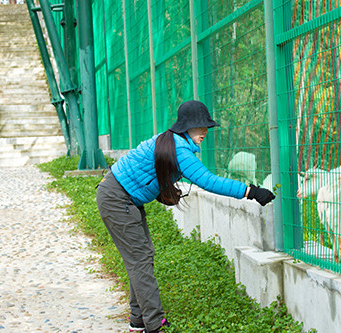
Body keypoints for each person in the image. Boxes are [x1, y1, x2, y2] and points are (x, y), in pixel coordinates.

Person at [96, 100, 275, 333]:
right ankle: (155, 325)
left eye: (206, 127)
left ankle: (138, 321)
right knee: (139, 258)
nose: (205, 132)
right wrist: (250, 192)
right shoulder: (179, 148)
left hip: (124, 197)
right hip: (117, 198)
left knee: (142, 256)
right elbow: (208, 181)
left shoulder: (173, 142)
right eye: (201, 127)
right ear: (187, 127)